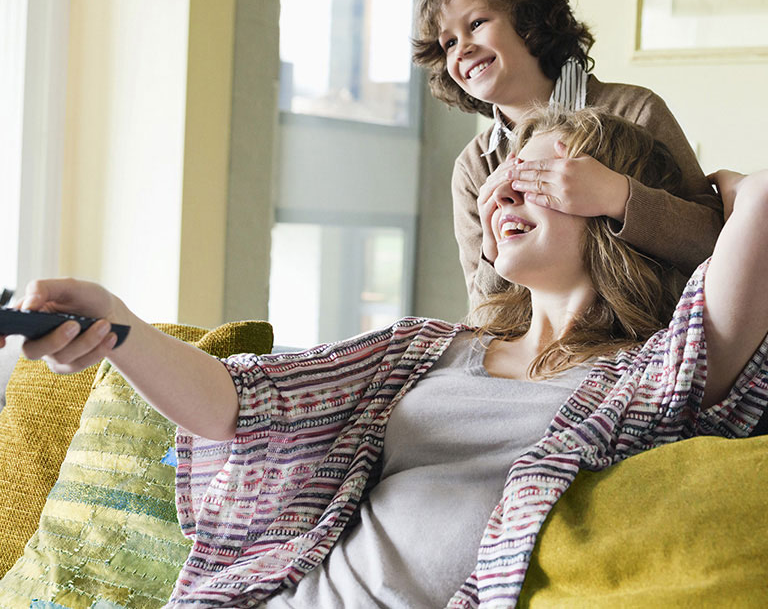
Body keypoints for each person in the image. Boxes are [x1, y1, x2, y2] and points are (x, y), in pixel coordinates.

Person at [7, 107, 768, 609]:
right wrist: (120, 325)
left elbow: (761, 203)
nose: (504, 191)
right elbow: (240, 405)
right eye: (505, 175)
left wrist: (640, 198)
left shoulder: (648, 378)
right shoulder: (422, 350)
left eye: (542, 176)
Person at [412, 0, 723, 309]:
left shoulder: (636, 109)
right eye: (448, 43)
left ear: (530, 20)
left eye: (476, 24)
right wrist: (492, 252)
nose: (461, 49)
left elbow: (715, 243)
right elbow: (484, 319)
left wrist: (618, 196)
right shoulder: (473, 167)